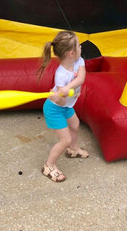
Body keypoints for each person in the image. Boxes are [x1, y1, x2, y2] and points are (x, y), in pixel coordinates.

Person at [37, 30, 89, 182]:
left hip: (67, 106)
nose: (81, 47)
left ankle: (73, 149)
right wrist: (60, 96)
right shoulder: (60, 75)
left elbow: (81, 77)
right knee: (64, 139)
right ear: (71, 53)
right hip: (55, 109)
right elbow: (61, 101)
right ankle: (49, 165)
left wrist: (68, 89)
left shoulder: (79, 61)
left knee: (75, 124)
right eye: (79, 45)